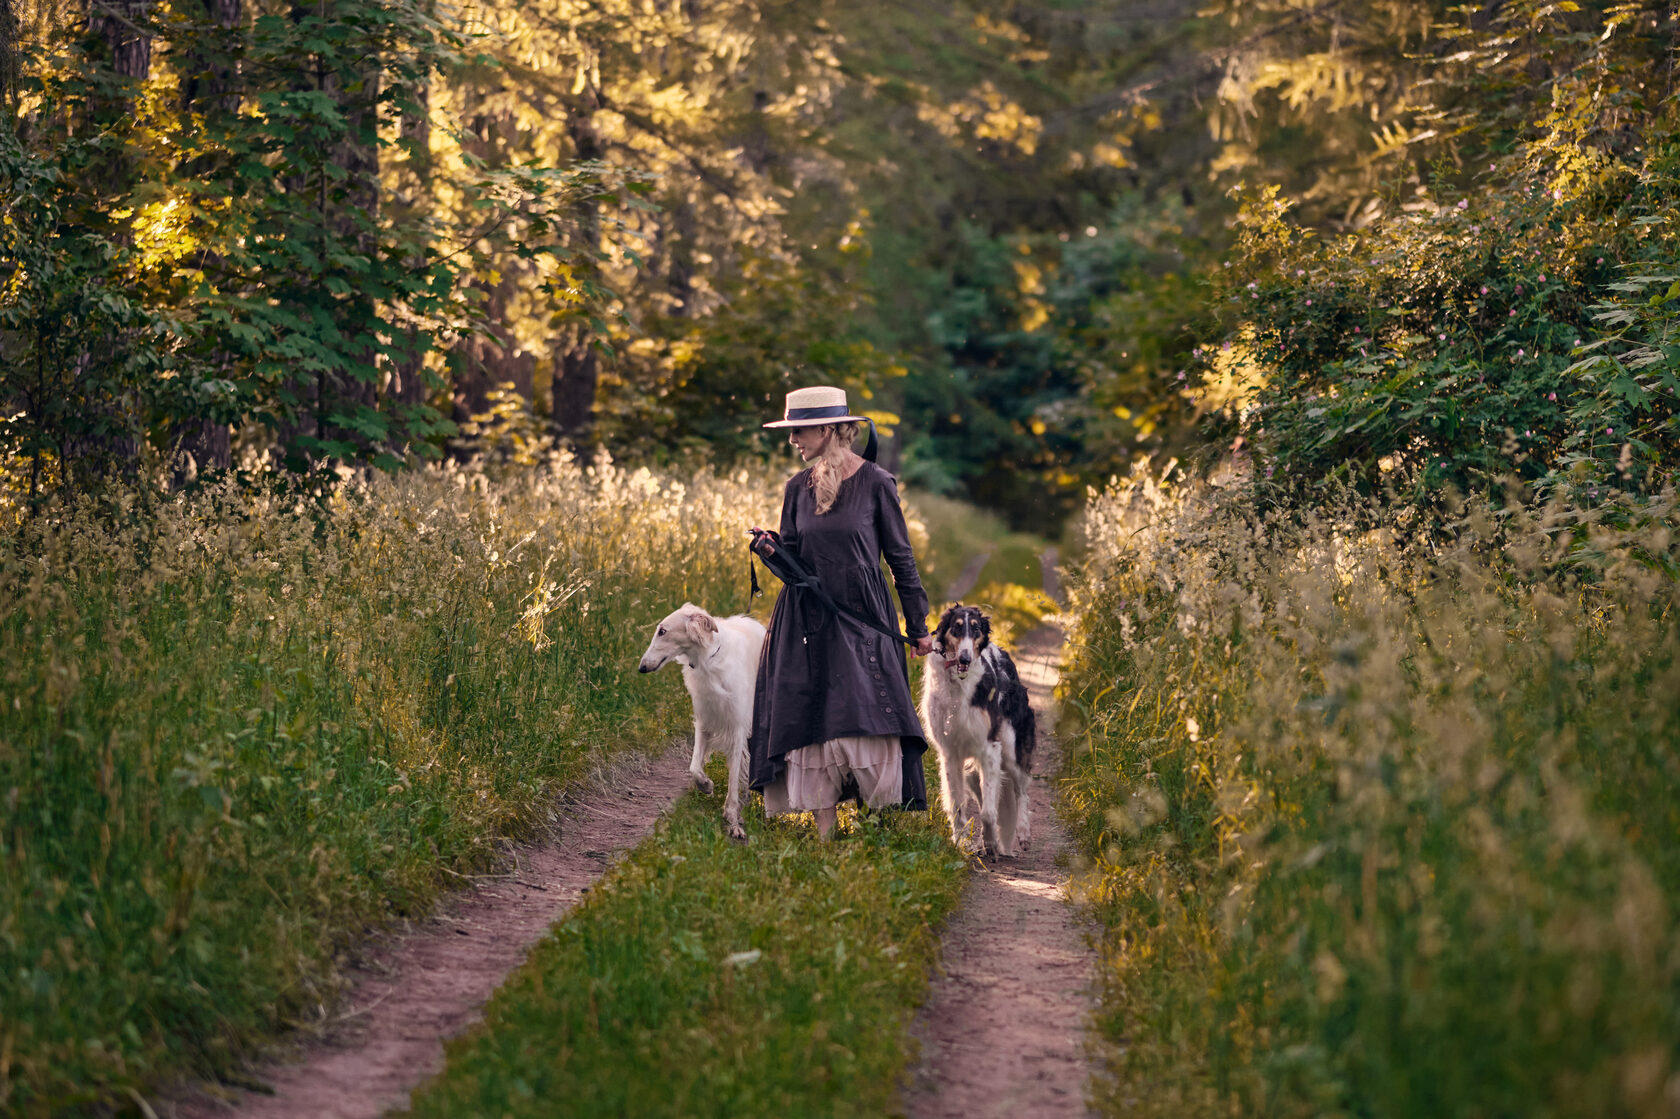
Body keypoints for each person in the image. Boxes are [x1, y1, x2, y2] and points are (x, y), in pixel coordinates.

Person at [748, 385, 936, 838]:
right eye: (790, 431)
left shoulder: (877, 483)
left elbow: (900, 559)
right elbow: (794, 559)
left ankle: (875, 825)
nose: (793, 440)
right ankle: (826, 834)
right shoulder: (797, 488)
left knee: (863, 711)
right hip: (806, 618)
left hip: (862, 613)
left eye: (801, 430)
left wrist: (918, 626)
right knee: (815, 715)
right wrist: (773, 552)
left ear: (829, 429)